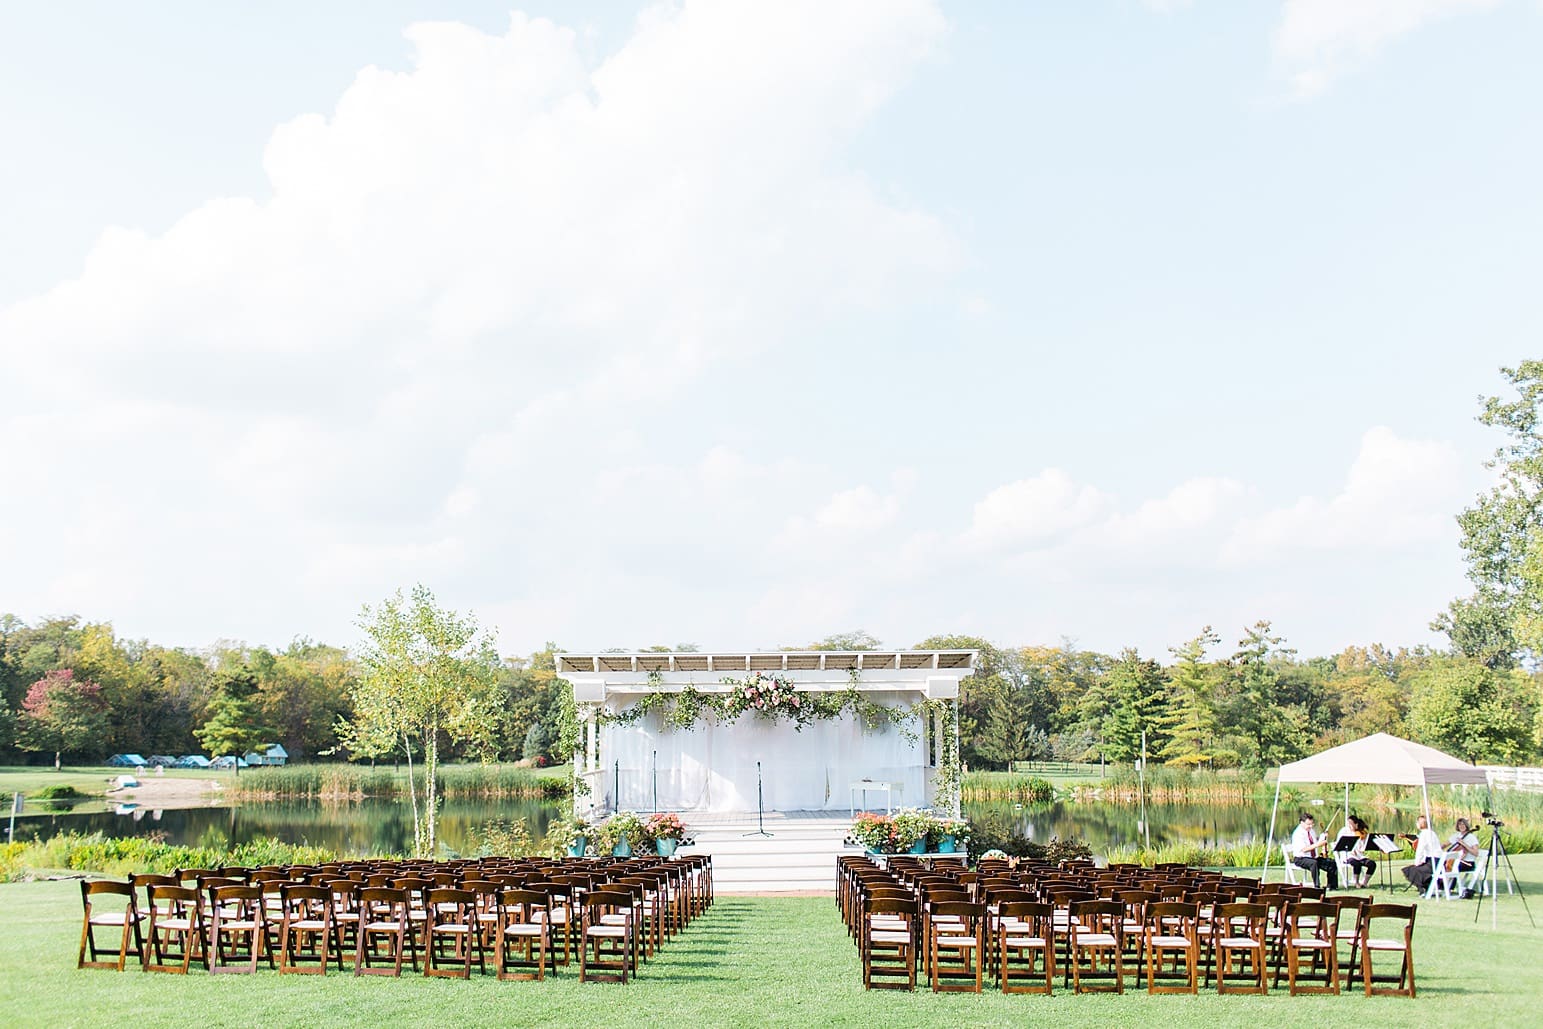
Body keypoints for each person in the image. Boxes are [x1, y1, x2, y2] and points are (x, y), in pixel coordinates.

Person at [1290, 812, 1339, 889]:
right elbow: (1304, 849)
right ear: (1302, 823)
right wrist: (1319, 844)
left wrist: (1323, 837)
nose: (1310, 826)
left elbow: (1315, 843)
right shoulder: (1298, 834)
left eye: (1312, 824)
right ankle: (1317, 886)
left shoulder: (1311, 831)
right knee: (1314, 863)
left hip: (1313, 857)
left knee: (1331, 863)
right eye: (1308, 824)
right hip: (1301, 858)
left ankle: (1332, 885)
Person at [1401, 814, 1443, 892]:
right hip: (1437, 861)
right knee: (1416, 869)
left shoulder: (1424, 834)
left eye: (1417, 823)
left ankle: (1423, 888)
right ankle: (1426, 886)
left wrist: (1417, 862)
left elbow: (1420, 850)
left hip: (1433, 862)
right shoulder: (1432, 833)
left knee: (1410, 870)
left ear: (1421, 824)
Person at [1338, 814, 1376, 889]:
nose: (1349, 826)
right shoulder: (1344, 831)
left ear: (1356, 824)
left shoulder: (1360, 832)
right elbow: (1339, 844)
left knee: (1372, 864)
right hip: (1348, 856)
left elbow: (1362, 846)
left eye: (1351, 824)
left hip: (1359, 856)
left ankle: (1365, 882)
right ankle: (1356, 882)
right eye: (1348, 824)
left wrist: (1363, 847)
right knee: (1356, 863)